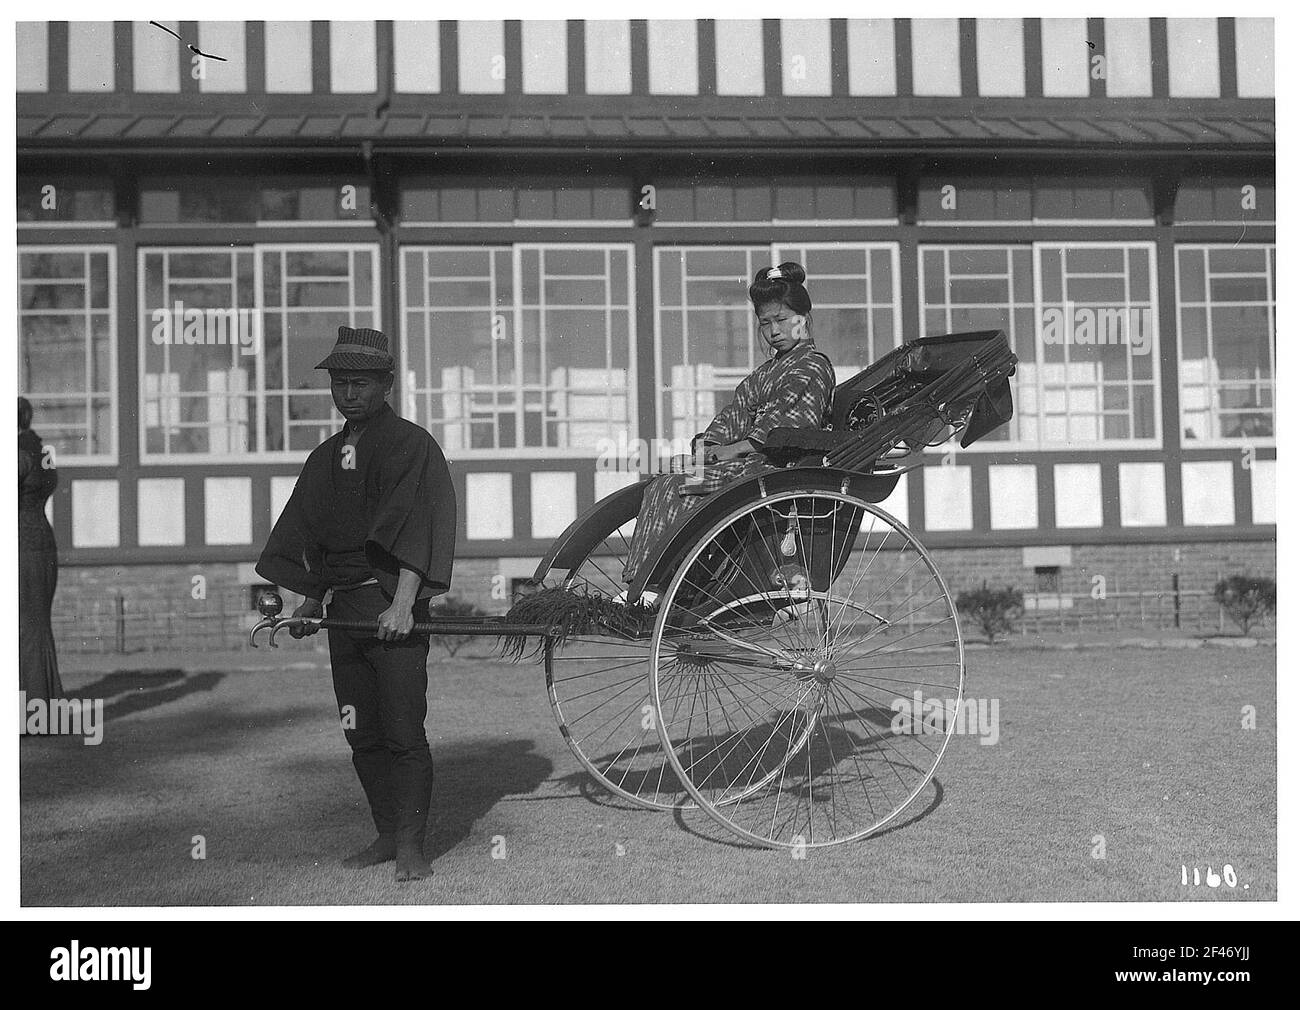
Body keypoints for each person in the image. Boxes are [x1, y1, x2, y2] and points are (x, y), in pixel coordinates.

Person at [256, 326, 456, 882]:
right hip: (342, 615)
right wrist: (307, 601)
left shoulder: (411, 445)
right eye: (341, 383)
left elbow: (418, 526)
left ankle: (413, 843)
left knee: (403, 732)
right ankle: (386, 832)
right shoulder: (325, 458)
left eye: (362, 383)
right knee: (360, 732)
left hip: (392, 607)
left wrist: (404, 605)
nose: (351, 394)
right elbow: (314, 535)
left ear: (386, 385)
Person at [621, 262, 836, 590]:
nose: (773, 330)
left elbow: (782, 432)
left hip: (777, 467)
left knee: (672, 487)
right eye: (765, 323)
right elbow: (736, 411)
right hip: (749, 463)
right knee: (665, 479)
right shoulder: (766, 372)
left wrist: (724, 454)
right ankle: (648, 586)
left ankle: (656, 587)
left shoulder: (811, 367)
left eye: (781, 320)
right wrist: (709, 447)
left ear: (802, 319)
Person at [18, 396, 63, 708]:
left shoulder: (18, 455)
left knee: (25, 626)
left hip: (21, 545)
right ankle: (44, 707)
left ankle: (29, 709)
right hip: (43, 544)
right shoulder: (43, 451)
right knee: (38, 624)